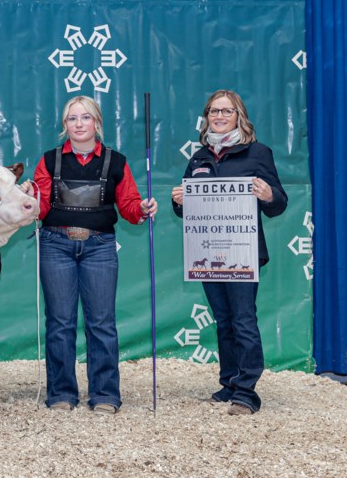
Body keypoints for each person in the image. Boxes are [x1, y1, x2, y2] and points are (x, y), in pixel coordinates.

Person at [28, 96, 157, 414]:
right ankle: (61, 393)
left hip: (99, 247)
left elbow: (128, 206)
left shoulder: (116, 161)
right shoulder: (48, 161)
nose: (79, 124)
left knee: (101, 322)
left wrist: (141, 209)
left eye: (85, 118)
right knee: (60, 321)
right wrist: (29, 204)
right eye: (72, 119)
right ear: (64, 126)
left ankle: (105, 394)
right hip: (56, 244)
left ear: (97, 123)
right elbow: (42, 207)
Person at [171, 89, 287, 416]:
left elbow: (278, 205)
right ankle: (229, 383)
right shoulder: (199, 158)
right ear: (206, 117)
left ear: (239, 116)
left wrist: (268, 194)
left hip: (243, 253)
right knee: (223, 322)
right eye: (213, 111)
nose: (219, 117)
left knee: (243, 320)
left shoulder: (257, 153)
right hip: (207, 253)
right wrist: (178, 201)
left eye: (226, 111)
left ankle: (247, 392)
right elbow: (186, 212)